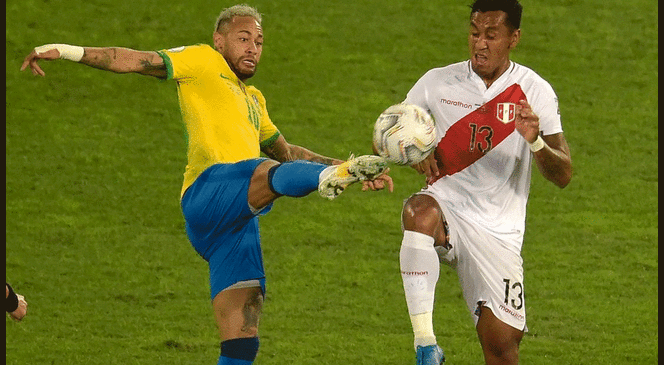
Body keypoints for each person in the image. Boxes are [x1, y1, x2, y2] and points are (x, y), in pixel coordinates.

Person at [21, 4, 393, 364]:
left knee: (242, 339)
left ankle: (333, 177)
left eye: (259, 42)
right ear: (219, 40)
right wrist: (68, 51)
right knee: (262, 171)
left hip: (234, 225)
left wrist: (354, 165)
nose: (253, 48)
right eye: (243, 38)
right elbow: (133, 59)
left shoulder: (254, 99)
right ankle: (329, 181)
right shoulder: (201, 60)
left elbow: (288, 154)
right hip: (208, 191)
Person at [393, 0, 573, 364]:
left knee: (502, 347)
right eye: (475, 33)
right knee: (418, 211)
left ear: (513, 38)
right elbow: (393, 129)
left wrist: (535, 141)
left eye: (491, 35)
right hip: (449, 208)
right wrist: (412, 151)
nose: (480, 44)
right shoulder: (437, 82)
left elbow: (563, 174)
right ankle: (426, 345)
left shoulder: (533, 90)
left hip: (499, 232)